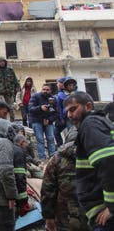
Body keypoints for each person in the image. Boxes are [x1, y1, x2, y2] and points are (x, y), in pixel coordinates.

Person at [64, 91, 114, 230]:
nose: (69, 115)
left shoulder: (90, 124)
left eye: (73, 109)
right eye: (67, 111)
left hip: (105, 218)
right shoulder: (102, 124)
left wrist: (111, 206)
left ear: (89, 106)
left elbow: (108, 161)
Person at [41, 127, 90, 231]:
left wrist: (48, 216)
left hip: (65, 218)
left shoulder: (57, 159)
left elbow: (47, 189)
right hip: (94, 216)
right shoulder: (96, 154)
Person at [28, 84, 58, 160]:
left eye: (47, 90)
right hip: (37, 121)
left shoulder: (53, 99)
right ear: (41, 89)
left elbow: (56, 112)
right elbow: (30, 109)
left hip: (49, 121)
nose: (45, 91)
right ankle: (42, 158)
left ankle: (52, 158)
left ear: (50, 90)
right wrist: (40, 108)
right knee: (40, 140)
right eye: (44, 89)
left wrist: (49, 119)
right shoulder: (35, 97)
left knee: (51, 139)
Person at [0, 56, 20, 122]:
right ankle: (3, 121)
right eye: (0, 62)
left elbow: (15, 80)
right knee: (2, 108)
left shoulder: (10, 70)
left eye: (3, 62)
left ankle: (12, 121)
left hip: (9, 93)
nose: (2, 63)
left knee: (11, 107)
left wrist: (18, 87)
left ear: (5, 62)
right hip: (0, 93)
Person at [55, 77, 77, 146]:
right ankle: (61, 146)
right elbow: (59, 107)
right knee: (55, 131)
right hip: (64, 117)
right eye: (69, 85)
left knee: (72, 132)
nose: (71, 86)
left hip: (72, 117)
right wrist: (61, 118)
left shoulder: (77, 94)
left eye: (72, 85)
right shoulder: (60, 94)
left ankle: (73, 146)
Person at [13, 134, 30, 217]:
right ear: (22, 142)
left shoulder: (11, 149)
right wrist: (23, 201)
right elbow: (20, 177)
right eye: (26, 143)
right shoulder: (19, 152)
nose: (27, 146)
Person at [54, 77, 68, 147]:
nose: (57, 85)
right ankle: (61, 146)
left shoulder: (63, 94)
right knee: (56, 132)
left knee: (70, 132)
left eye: (58, 83)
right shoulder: (60, 93)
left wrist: (62, 118)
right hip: (61, 117)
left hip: (66, 117)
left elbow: (62, 107)